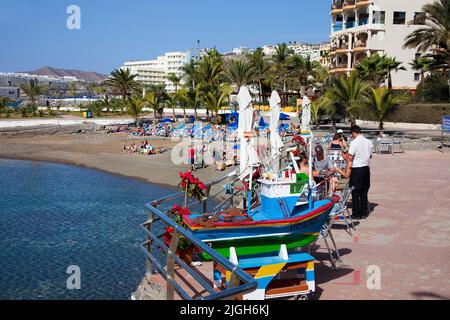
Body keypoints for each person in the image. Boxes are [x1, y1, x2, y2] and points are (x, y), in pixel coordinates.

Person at [348, 125, 373, 219]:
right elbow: (370, 156)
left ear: (353, 133)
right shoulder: (368, 142)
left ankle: (356, 213)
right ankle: (364, 211)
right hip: (366, 168)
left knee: (355, 191)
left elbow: (350, 157)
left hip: (357, 168)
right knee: (364, 191)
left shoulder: (355, 142)